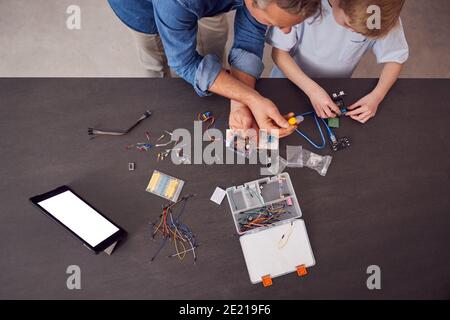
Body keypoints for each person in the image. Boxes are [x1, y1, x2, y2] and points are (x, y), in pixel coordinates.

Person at [108, 0, 321, 136]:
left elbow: (250, 31)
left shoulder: (261, 6)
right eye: (277, 23)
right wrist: (252, 98)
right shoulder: (176, 3)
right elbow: (184, 62)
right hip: (142, 6)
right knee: (155, 53)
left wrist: (240, 102)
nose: (286, 32)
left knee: (214, 31)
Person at [268, 0, 409, 123]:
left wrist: (376, 96)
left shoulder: (379, 15)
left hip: (333, 89)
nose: (355, 32)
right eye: (349, 25)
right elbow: (279, 54)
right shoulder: (302, 5)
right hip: (285, 82)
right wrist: (312, 90)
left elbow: (396, 57)